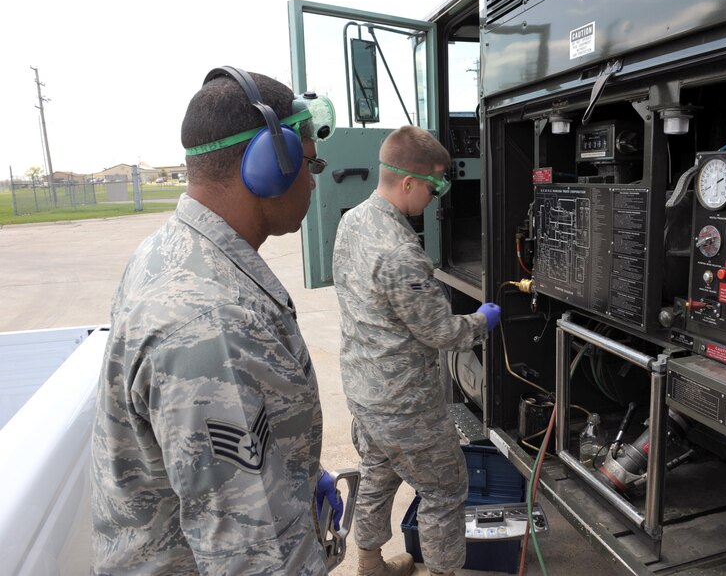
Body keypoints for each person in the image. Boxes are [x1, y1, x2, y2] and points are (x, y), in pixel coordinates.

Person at [91, 66, 339, 575]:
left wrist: (288, 469)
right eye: (310, 167)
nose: (313, 186)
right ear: (272, 167)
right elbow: (250, 557)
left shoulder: (171, 251)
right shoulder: (214, 321)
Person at [332, 125, 502, 576]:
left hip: (365, 393)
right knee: (446, 492)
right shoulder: (400, 251)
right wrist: (481, 322)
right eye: (435, 185)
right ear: (408, 182)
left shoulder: (353, 220)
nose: (437, 196)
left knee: (378, 473)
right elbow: (442, 332)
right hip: (405, 405)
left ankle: (369, 564)